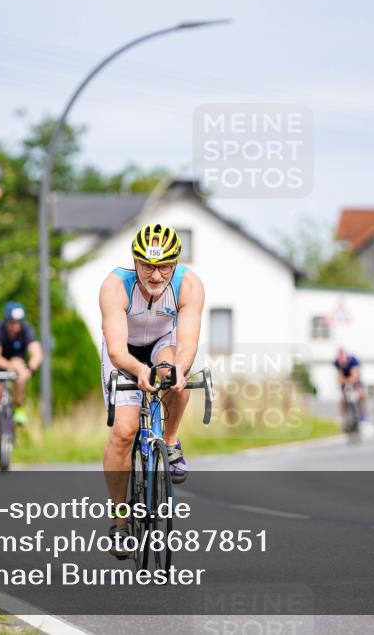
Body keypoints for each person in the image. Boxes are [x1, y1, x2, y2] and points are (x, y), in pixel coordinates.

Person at [99, 223, 205, 556]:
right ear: (135, 260)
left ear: (176, 263)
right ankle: (119, 520)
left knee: (175, 375)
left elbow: (186, 345)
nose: (156, 275)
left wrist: (177, 369)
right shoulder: (115, 286)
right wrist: (139, 370)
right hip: (125, 351)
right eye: (147, 265)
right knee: (124, 432)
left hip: (164, 344)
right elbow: (117, 351)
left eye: (164, 266)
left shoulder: (189, 285)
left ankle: (170, 440)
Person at [0, 301, 43, 460]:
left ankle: (19, 407)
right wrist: (10, 367)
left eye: (18, 322)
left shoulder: (27, 330)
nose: (16, 326)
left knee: (19, 368)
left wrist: (30, 368)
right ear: (6, 320)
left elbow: (37, 353)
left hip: (19, 366)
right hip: (0, 365)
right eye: (12, 322)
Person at [333, 347, 366, 430]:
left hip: (354, 381)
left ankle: (362, 414)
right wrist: (345, 382)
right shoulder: (337, 362)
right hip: (344, 381)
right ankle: (343, 419)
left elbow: (355, 375)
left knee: (361, 394)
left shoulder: (353, 360)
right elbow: (339, 377)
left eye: (344, 362)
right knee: (342, 399)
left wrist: (350, 381)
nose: (343, 364)